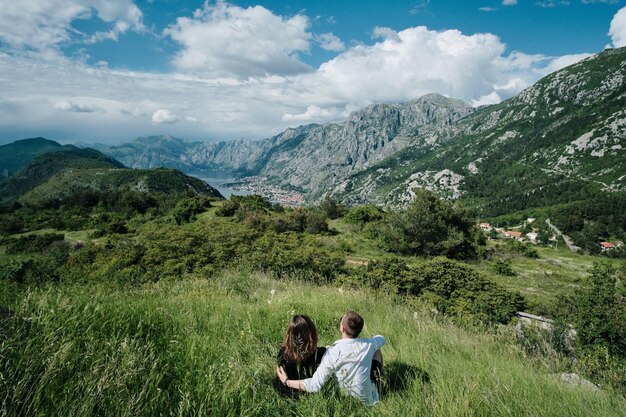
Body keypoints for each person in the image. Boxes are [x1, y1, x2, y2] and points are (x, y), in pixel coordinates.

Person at [276, 311, 385, 406]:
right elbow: (381, 338)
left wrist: (286, 382)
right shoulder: (368, 344)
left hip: (289, 395)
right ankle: (378, 384)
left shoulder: (282, 353)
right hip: (367, 400)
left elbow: (314, 384)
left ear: (342, 328)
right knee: (377, 350)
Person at [275, 314, 327, 396]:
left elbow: (281, 383)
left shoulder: (283, 353)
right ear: (312, 335)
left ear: (290, 335)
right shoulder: (320, 353)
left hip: (289, 395)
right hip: (313, 394)